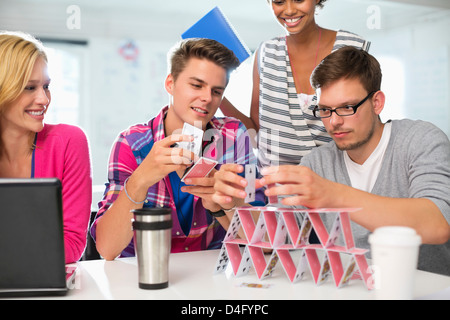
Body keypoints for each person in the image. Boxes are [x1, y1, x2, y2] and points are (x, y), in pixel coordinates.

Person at [214, 47, 450, 275]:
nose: (334, 122)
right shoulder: (317, 163)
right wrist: (233, 204)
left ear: (377, 102)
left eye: (347, 107)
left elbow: (437, 225)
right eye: (325, 110)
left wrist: (331, 194)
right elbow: (276, 239)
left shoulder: (420, 140)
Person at [91, 38, 265, 260]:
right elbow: (107, 249)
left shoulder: (234, 136)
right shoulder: (131, 143)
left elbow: (265, 242)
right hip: (141, 276)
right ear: (170, 84)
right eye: (197, 85)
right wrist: (140, 180)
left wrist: (225, 204)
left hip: (209, 276)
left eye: (216, 91)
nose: (207, 98)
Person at [220, 0, 371, 169]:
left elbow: (367, 128)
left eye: (299, 0)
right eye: (279, 2)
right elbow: (257, 137)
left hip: (333, 186)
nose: (289, 10)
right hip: (274, 187)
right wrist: (216, 93)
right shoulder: (265, 53)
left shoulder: (353, 48)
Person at [0, 31, 92, 264]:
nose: (44, 99)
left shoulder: (69, 142)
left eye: (46, 86)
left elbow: (71, 244)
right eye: (30, 88)